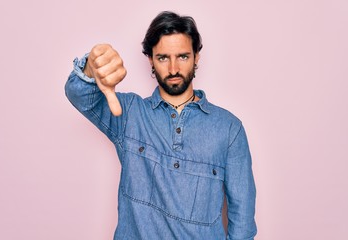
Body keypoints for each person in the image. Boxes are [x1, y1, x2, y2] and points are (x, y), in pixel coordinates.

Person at [65, 11, 257, 240]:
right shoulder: (129, 114)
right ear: (151, 60)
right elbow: (80, 96)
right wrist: (90, 68)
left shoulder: (229, 129)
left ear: (197, 57)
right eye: (163, 57)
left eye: (183, 57)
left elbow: (242, 219)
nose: (174, 68)